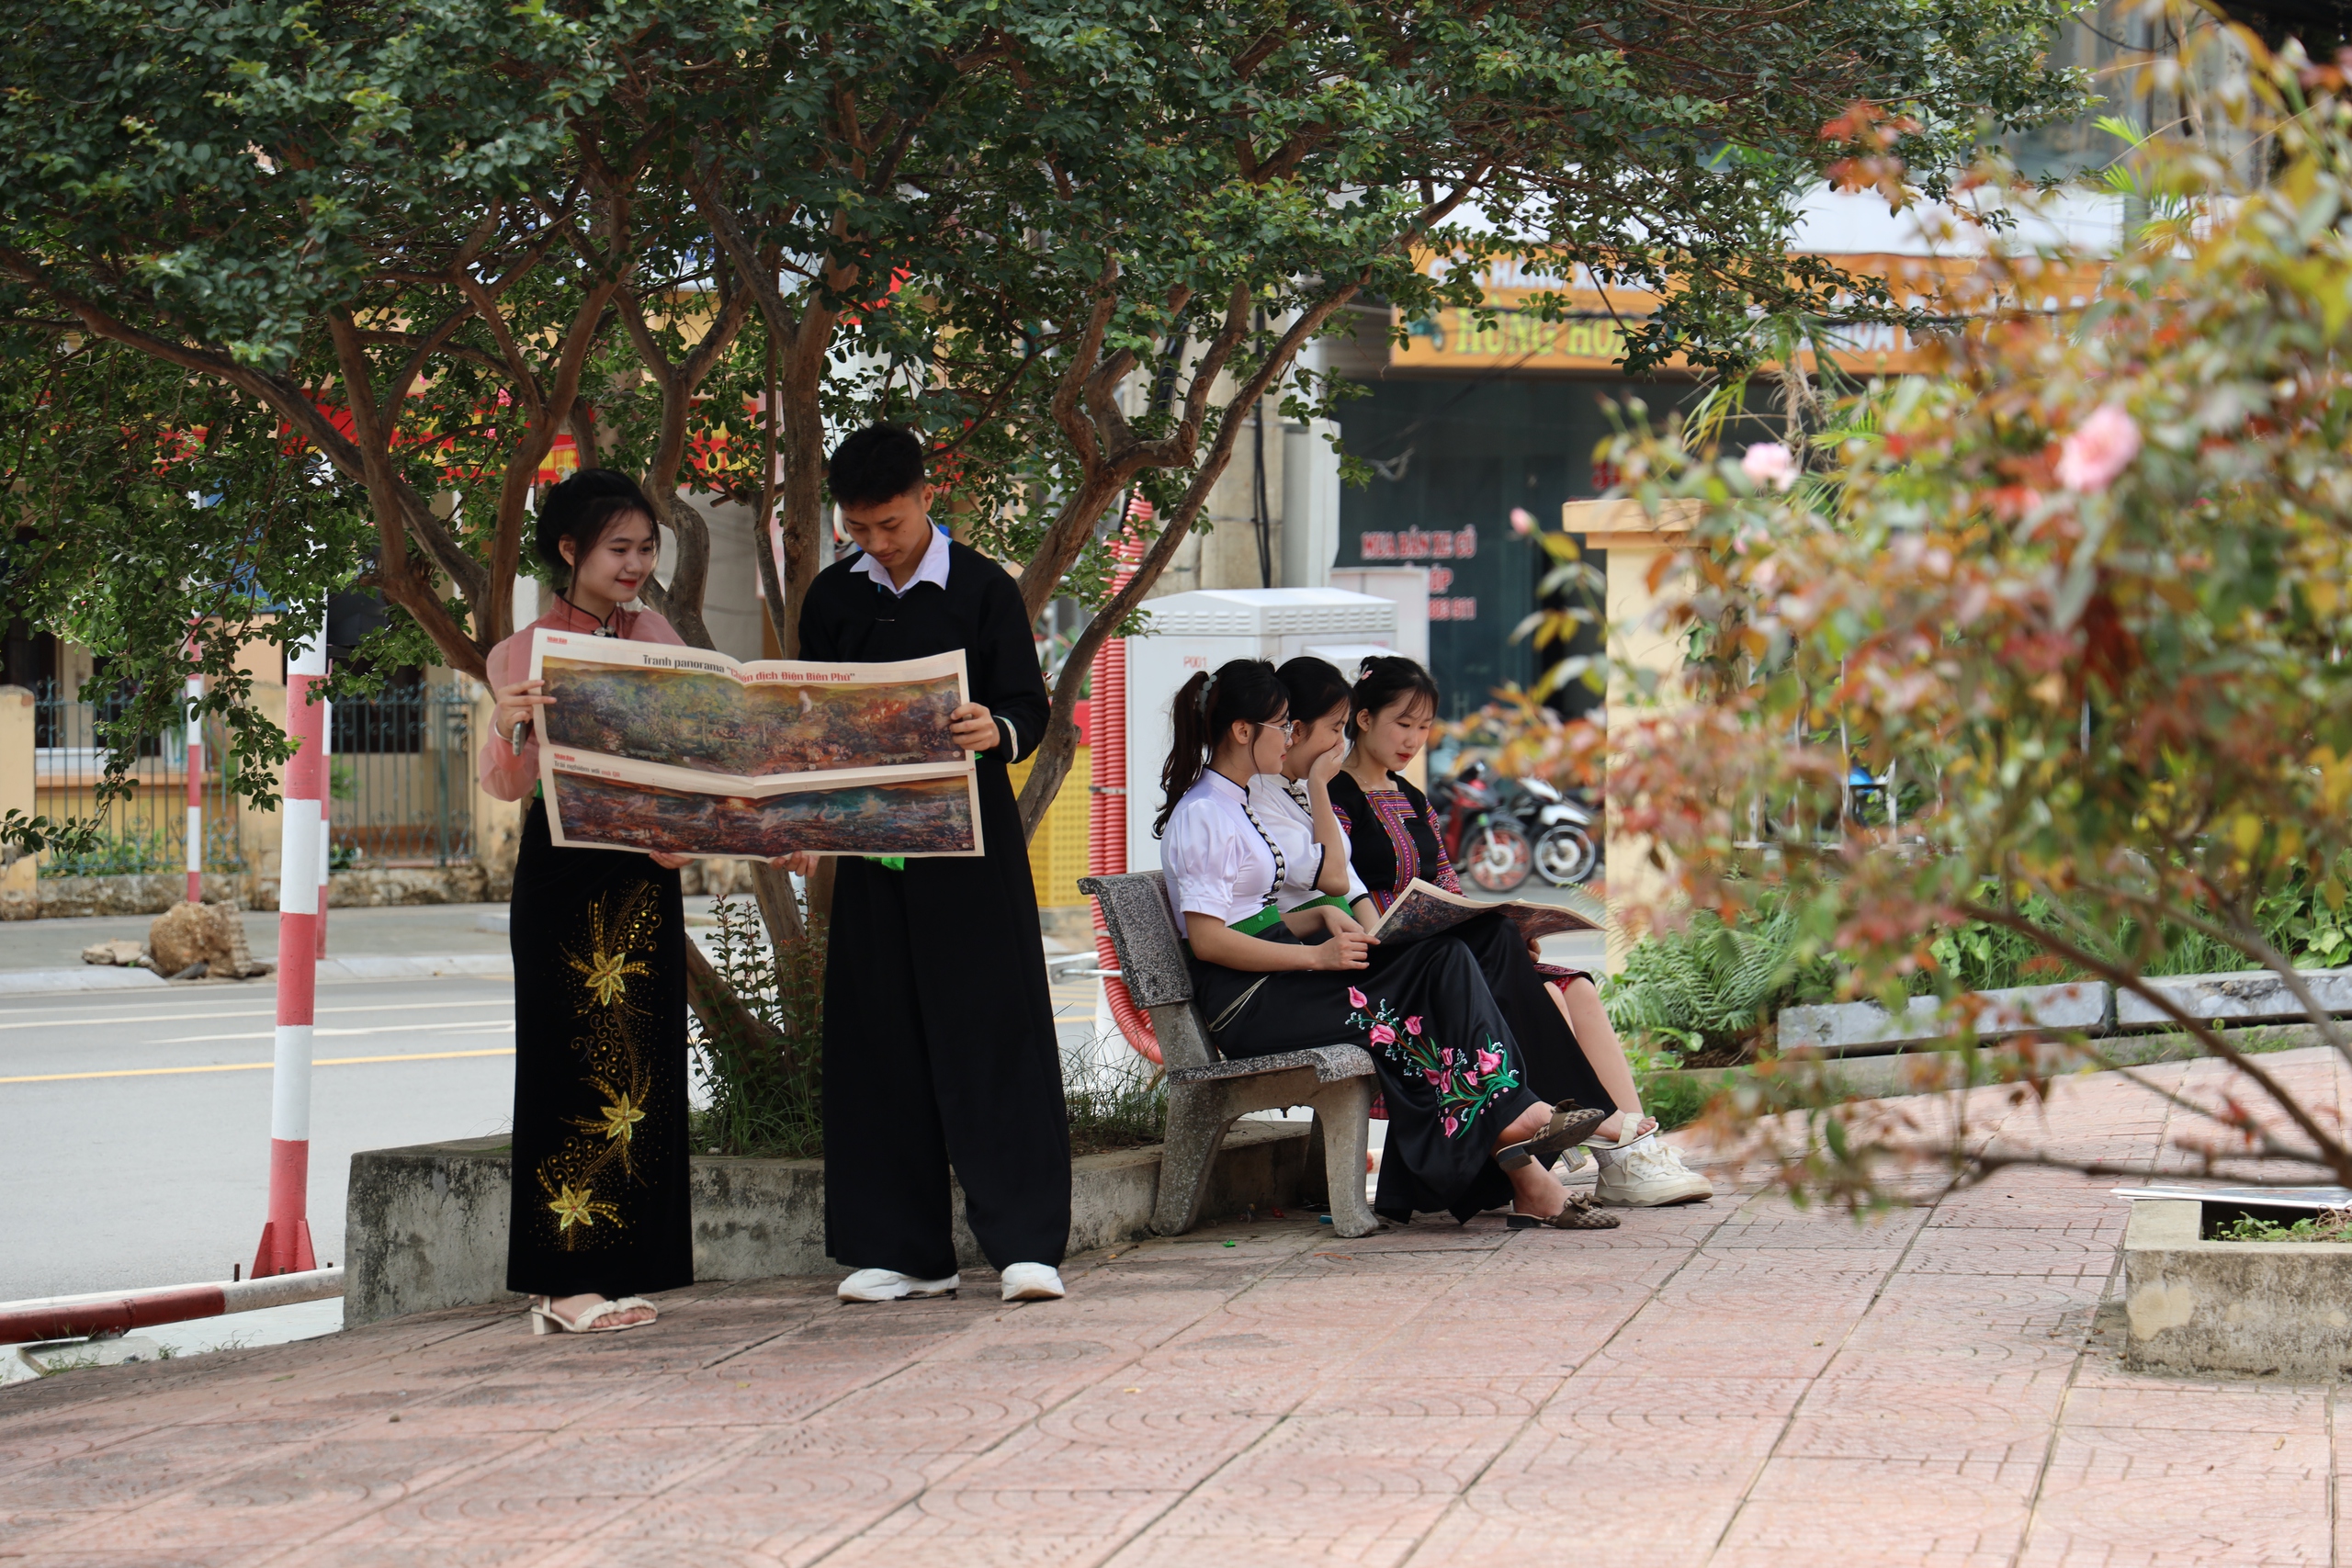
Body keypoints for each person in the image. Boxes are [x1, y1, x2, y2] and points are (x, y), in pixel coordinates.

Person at [1159, 657, 1617, 1230]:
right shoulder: (1205, 813)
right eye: (1282, 724)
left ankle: (1521, 1153)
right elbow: (1208, 941)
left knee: (1445, 961)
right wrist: (1315, 955)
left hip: (1274, 978)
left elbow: (1257, 913)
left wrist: (1321, 917)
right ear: (1243, 731)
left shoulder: (1238, 801)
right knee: (1420, 997)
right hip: (1247, 1002)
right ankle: (1518, 1122)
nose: (1291, 736)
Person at [787, 424, 1071, 1304]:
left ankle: (1025, 1244)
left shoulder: (983, 588)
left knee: (993, 1034)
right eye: (860, 529)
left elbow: (1030, 705)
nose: (877, 542)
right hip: (874, 855)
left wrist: (999, 728)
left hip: (970, 848)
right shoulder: (833, 598)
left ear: (923, 496)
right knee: (879, 1042)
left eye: (891, 524)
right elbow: (806, 719)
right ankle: (907, 1250)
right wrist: (801, 813)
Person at [1329, 655, 1713, 1208]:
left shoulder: (1413, 798)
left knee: (1574, 983)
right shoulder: (1335, 798)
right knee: (1540, 989)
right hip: (1398, 965)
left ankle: (1629, 1151)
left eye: (1424, 727)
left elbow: (1445, 885)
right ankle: (1614, 1144)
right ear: (1362, 720)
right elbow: (1339, 886)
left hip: (1444, 947)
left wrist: (1499, 919)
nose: (1414, 740)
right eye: (1402, 724)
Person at [480, 469, 697, 1335]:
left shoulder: (660, 636)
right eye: (619, 548)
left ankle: (621, 1265)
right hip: (566, 872)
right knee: (568, 1067)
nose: (636, 563)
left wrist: (690, 827)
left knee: (639, 1068)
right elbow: (506, 785)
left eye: (647, 547)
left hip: (646, 870)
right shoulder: (523, 651)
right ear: (569, 550)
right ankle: (561, 1282)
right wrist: (508, 721)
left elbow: (683, 759)